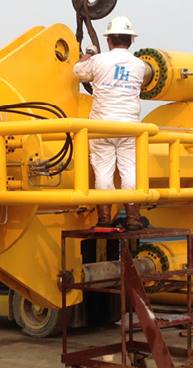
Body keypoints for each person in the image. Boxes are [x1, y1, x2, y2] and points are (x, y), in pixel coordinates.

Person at [73, 15, 146, 231]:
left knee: (103, 172)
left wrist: (89, 52)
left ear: (109, 40)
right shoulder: (140, 65)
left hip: (102, 126)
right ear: (130, 40)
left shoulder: (99, 60)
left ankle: (104, 219)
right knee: (130, 171)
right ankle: (133, 219)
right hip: (130, 127)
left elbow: (77, 71)